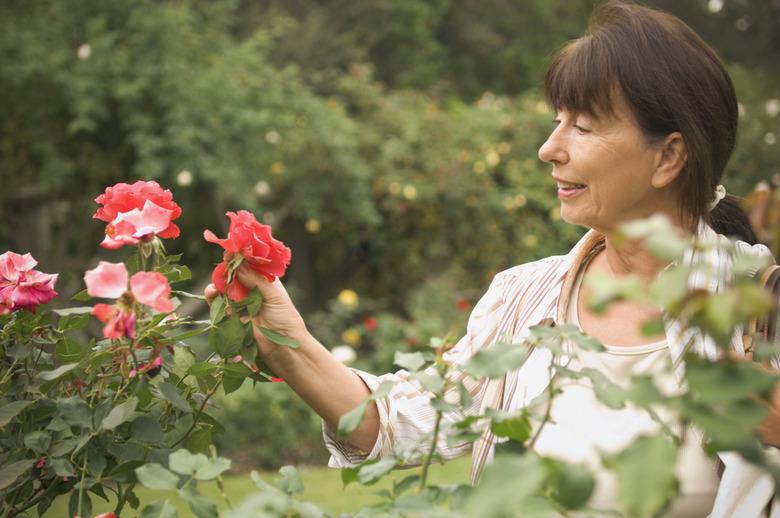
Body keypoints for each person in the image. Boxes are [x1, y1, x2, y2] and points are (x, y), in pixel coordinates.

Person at [206, 1, 780, 515]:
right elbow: (399, 426)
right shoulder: (522, 300)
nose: (549, 148)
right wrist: (286, 341)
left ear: (668, 156)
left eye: (582, 125)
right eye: (557, 121)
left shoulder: (757, 310)